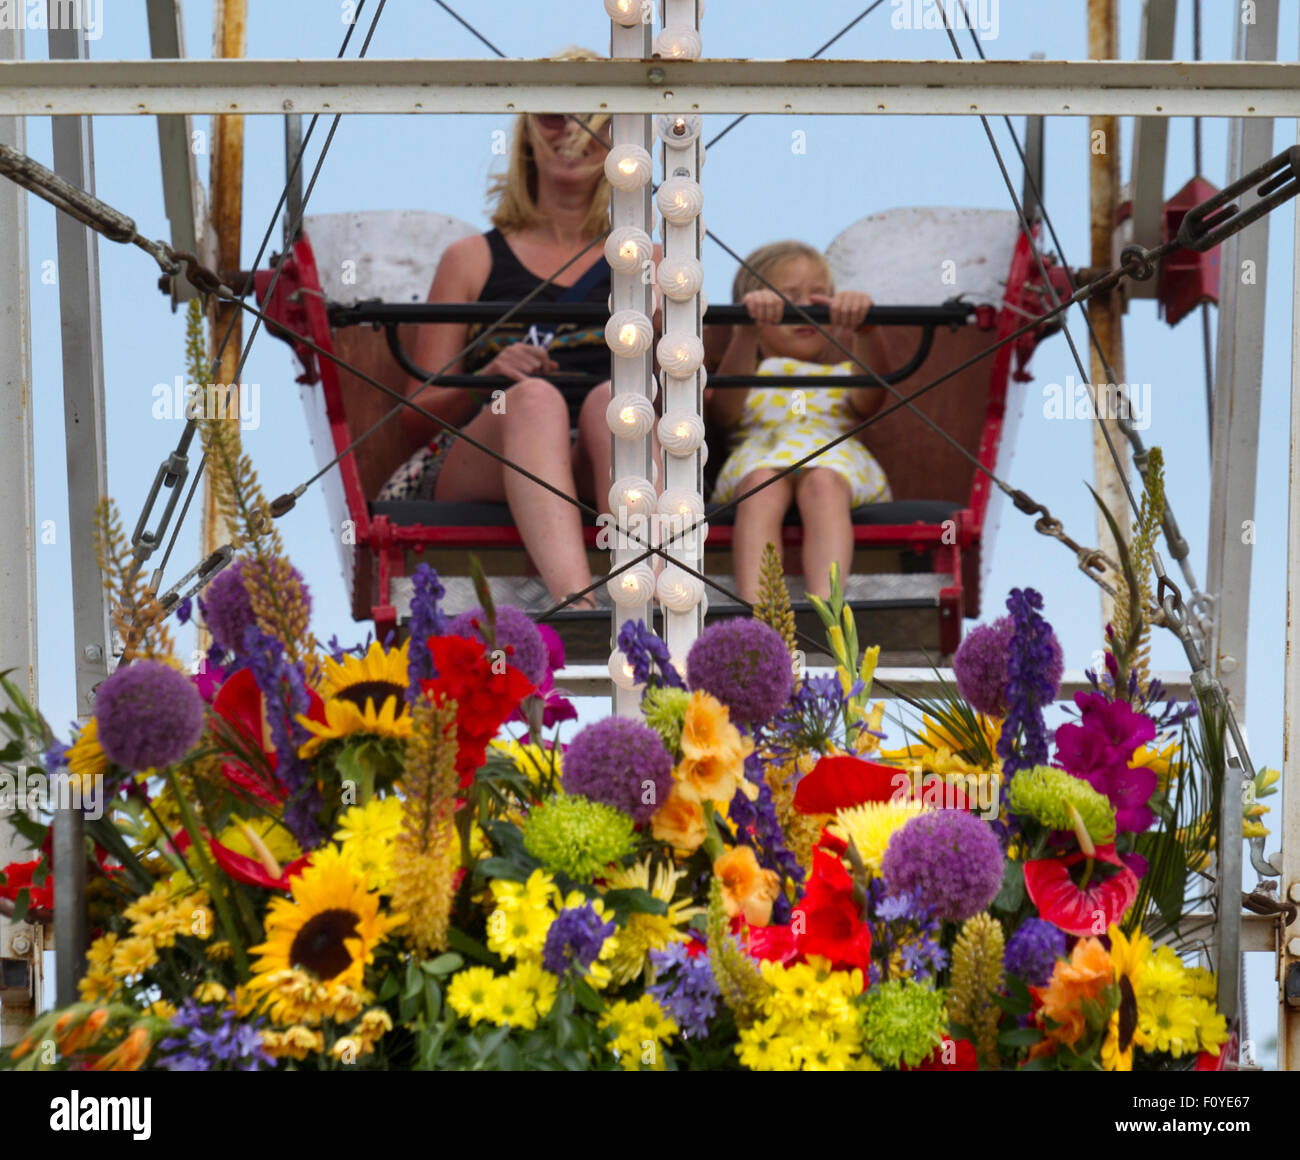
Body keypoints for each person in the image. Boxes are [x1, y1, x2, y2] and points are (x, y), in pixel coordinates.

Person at [379, 49, 638, 608]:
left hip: (604, 455)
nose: (574, 132)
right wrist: (491, 376)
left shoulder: (652, 262)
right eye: (553, 116)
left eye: (596, 117)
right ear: (527, 135)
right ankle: (580, 603)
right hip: (491, 454)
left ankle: (641, 589)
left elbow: (704, 407)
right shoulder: (471, 259)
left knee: (612, 404)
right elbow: (416, 415)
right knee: (532, 401)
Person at [707, 240, 893, 602]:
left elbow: (872, 395)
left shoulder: (843, 374)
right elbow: (724, 413)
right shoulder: (747, 372)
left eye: (819, 296)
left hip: (832, 459)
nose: (805, 308)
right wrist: (747, 330)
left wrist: (865, 329)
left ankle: (828, 605)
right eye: (787, 297)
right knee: (761, 484)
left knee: (823, 483)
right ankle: (760, 608)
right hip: (760, 457)